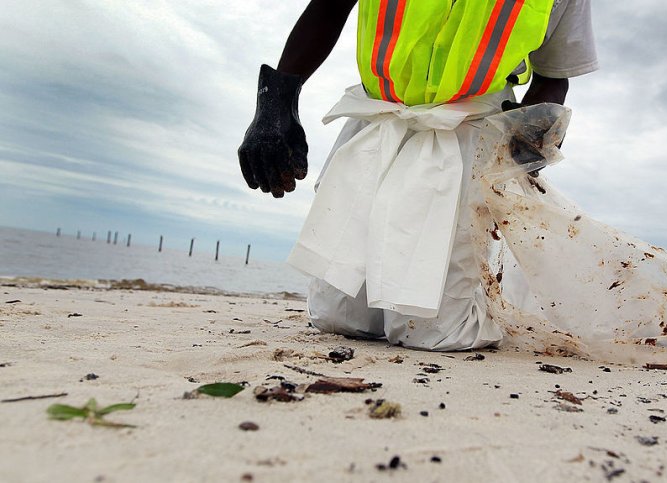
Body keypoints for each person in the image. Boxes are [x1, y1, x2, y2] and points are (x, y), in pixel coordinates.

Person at [238, 0, 599, 350]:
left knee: (435, 332)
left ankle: (503, 299)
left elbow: (553, 75)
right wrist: (275, 101)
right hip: (379, 118)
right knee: (340, 317)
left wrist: (533, 133)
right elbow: (329, 7)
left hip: (469, 129)